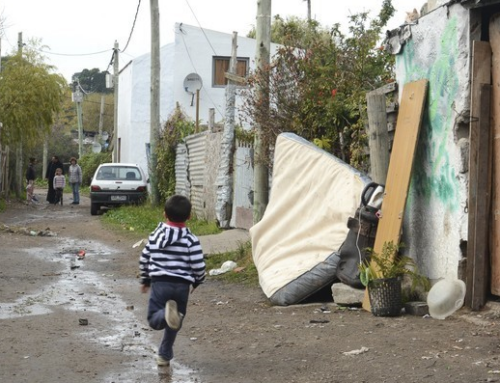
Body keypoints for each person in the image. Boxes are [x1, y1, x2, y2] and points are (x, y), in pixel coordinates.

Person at [139, 195, 206, 367]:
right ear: (189, 216)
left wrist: (145, 278)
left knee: (155, 319)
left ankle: (165, 314)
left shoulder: (155, 236)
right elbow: (198, 264)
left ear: (164, 214)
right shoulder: (191, 240)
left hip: (160, 283)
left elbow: (145, 257)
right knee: (174, 323)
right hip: (182, 286)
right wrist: (198, 280)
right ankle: (164, 354)